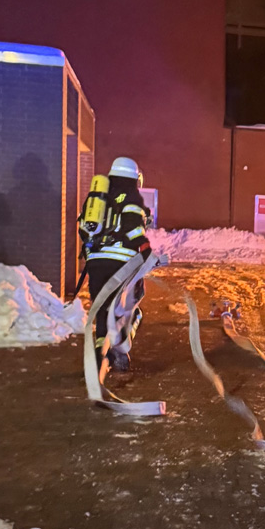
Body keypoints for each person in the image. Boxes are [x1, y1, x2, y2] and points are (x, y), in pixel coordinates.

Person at [81, 157, 152, 373]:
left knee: (103, 309)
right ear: (134, 177)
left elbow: (84, 229)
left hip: (96, 263)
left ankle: (101, 351)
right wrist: (145, 246)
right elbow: (132, 227)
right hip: (122, 265)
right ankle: (120, 348)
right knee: (131, 306)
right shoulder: (131, 195)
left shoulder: (98, 198)